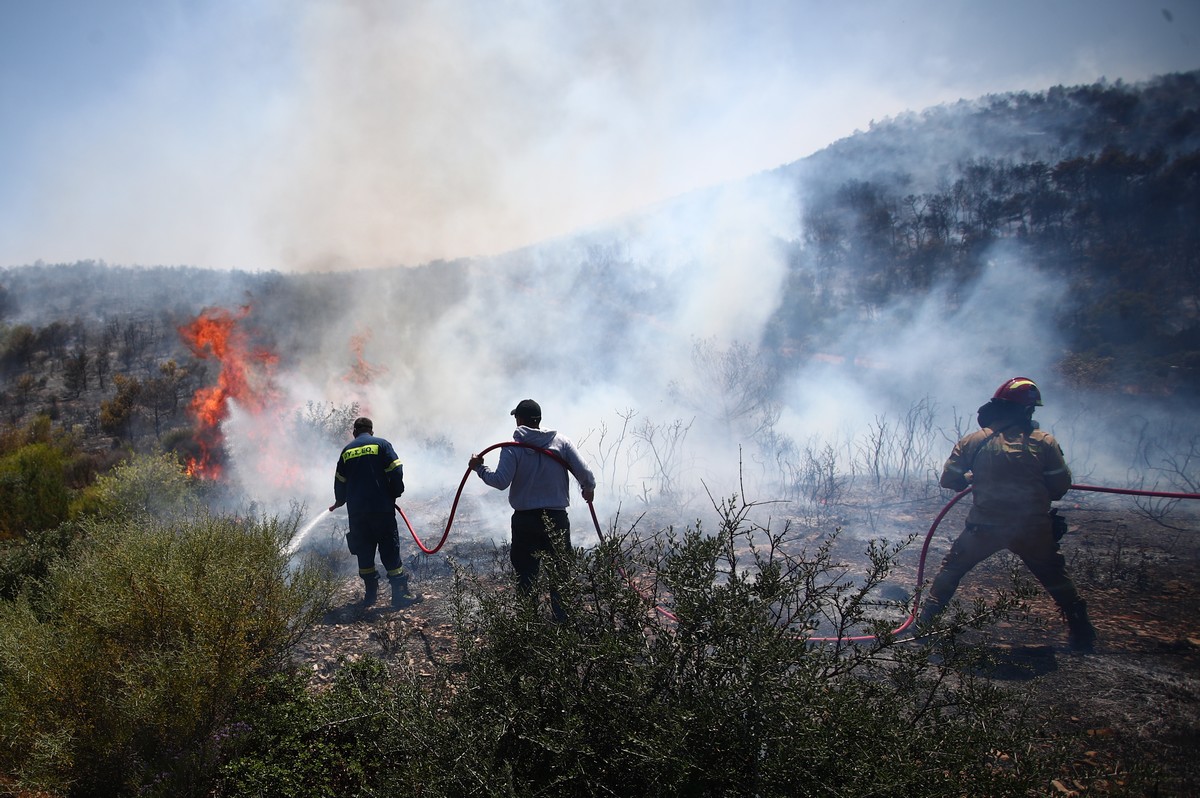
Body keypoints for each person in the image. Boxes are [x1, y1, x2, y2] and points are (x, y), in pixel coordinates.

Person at [919, 377, 1098, 652]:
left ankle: (924, 626)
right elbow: (1060, 487)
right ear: (1028, 411)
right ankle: (1082, 633)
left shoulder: (975, 441)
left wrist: (968, 478)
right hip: (1032, 528)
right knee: (1055, 577)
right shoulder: (1044, 442)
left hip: (983, 527)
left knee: (952, 570)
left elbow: (949, 479)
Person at [469, 399, 597, 619]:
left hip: (525, 521)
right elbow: (585, 472)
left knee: (526, 577)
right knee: (560, 575)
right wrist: (588, 488)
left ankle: (528, 630)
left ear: (519, 420)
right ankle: (563, 627)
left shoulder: (512, 449)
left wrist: (479, 468)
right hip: (556, 520)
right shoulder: (561, 442)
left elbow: (500, 481)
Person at [329, 416, 419, 609]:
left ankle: (370, 596)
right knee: (389, 549)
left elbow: (339, 480)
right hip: (381, 509)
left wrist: (340, 499)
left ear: (354, 432)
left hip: (357, 513)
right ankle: (399, 595)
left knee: (364, 552)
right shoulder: (381, 444)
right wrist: (395, 492)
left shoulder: (346, 451)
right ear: (371, 431)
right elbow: (396, 469)